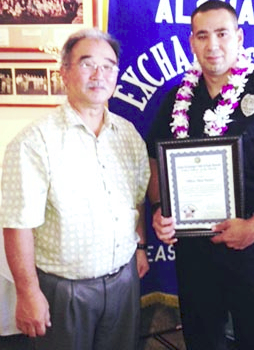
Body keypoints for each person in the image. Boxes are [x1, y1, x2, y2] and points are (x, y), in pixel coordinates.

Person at [146, 0, 254, 350]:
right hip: (195, 250)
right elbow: (155, 161)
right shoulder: (175, 100)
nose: (213, 45)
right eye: (202, 35)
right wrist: (161, 208)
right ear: (191, 42)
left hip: (253, 245)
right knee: (202, 338)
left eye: (222, 33)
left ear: (239, 37)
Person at [0, 28, 150, 350]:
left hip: (124, 282)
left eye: (108, 65)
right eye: (87, 64)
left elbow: (136, 199)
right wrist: (28, 293)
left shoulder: (128, 134)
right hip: (64, 293)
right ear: (64, 72)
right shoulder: (34, 142)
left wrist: (139, 247)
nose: (99, 74)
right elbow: (17, 224)